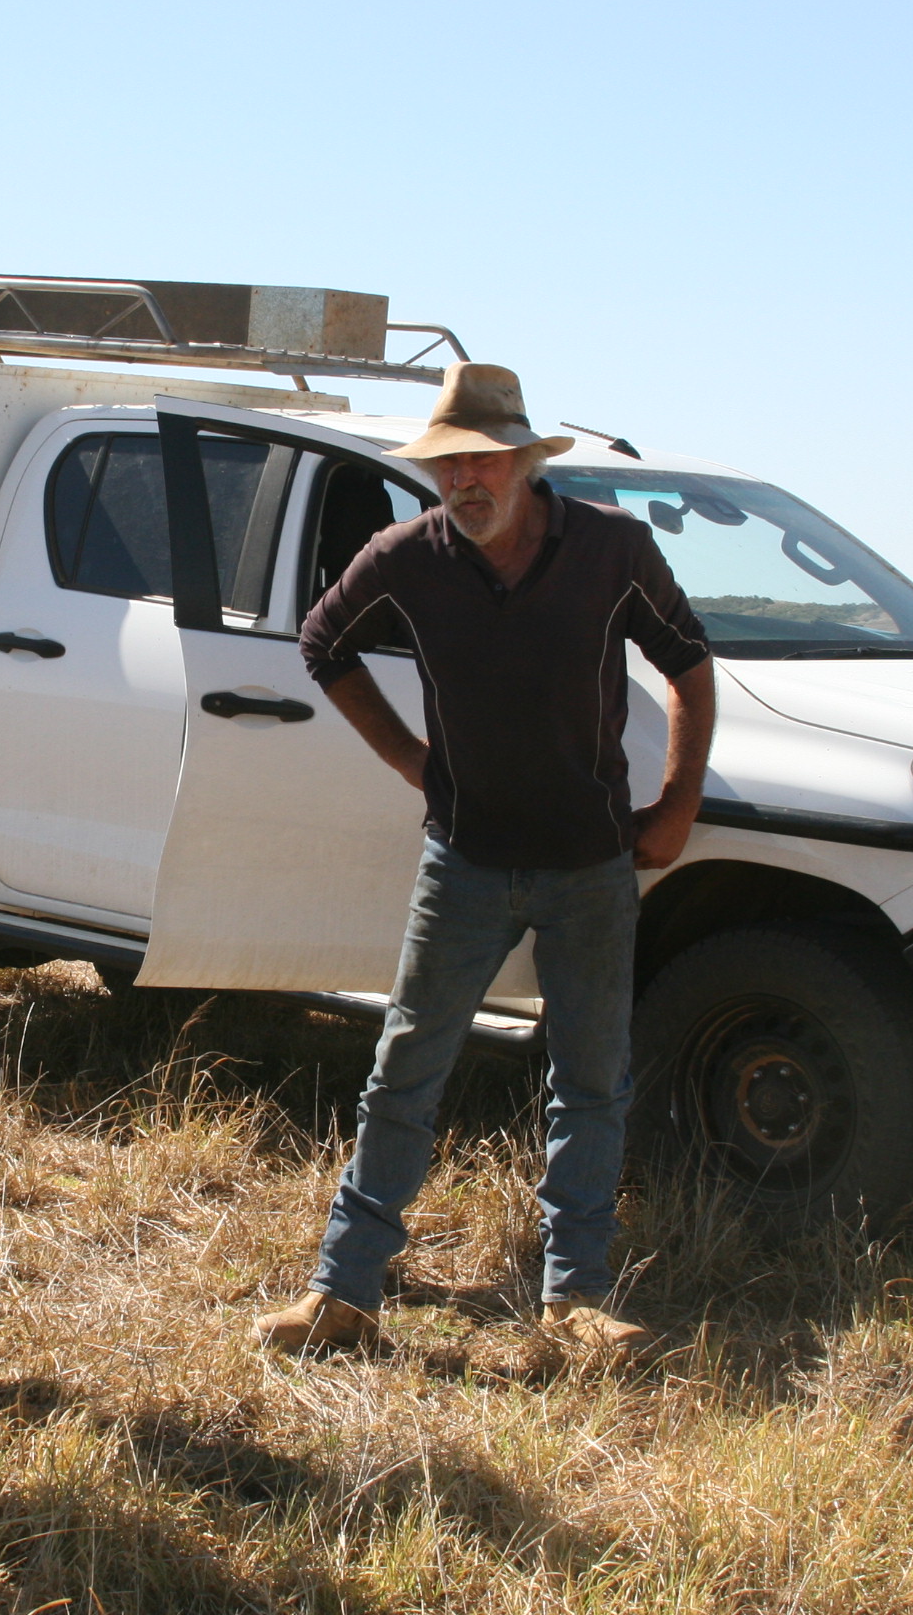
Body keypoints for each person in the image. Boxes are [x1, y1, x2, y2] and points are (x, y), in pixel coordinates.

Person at [250, 363, 716, 1357]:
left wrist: (678, 801)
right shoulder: (406, 556)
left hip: (592, 864)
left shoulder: (611, 550)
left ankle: (577, 1298)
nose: (465, 482)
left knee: (592, 1080)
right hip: (462, 861)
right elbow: (323, 642)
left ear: (523, 464)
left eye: (483, 462)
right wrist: (415, 761)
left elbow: (687, 660)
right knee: (404, 1070)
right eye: (448, 465)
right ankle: (343, 1294)